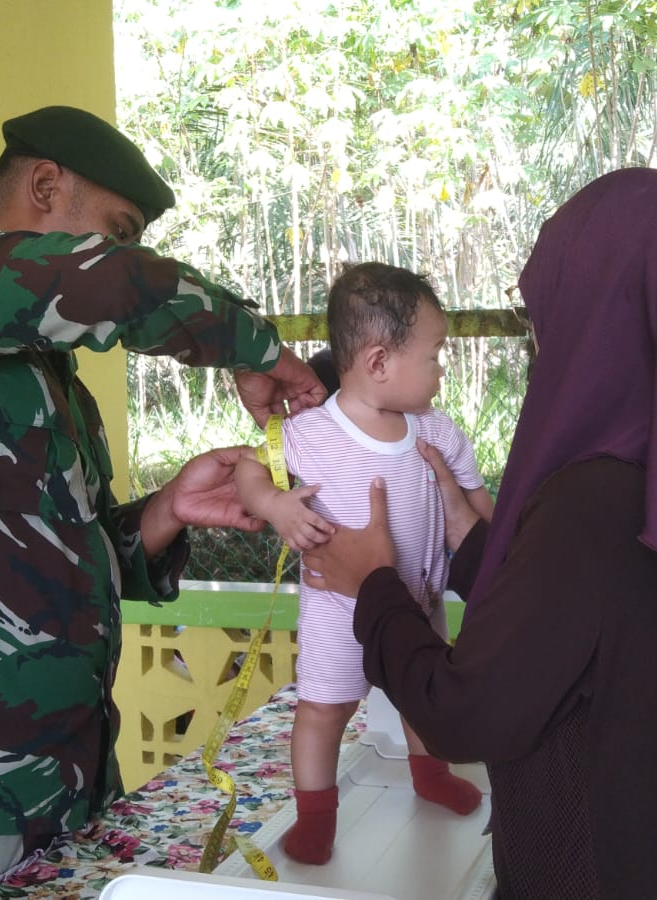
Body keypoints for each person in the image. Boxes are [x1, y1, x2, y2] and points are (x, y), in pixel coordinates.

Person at [0, 105, 325, 899]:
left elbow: (62, 562)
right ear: (46, 186)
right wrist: (253, 346)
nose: (123, 255)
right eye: (118, 233)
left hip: (68, 788)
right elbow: (114, 284)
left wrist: (166, 512)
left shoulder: (54, 381)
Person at [303, 168, 657, 898]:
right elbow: (600, 625)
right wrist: (471, 541)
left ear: (603, 310)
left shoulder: (594, 499)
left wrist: (374, 587)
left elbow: (465, 714)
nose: (543, 331)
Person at [234, 263, 495, 865]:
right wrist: (273, 505)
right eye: (434, 355)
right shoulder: (308, 433)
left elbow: (479, 505)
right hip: (336, 611)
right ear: (378, 362)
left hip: (418, 603)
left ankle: (431, 776)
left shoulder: (437, 431)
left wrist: (508, 547)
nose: (442, 369)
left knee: (423, 695)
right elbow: (250, 467)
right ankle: (315, 817)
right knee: (324, 712)